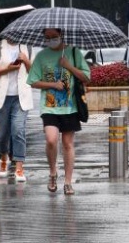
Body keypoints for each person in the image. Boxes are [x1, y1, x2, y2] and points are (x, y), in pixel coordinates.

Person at [26, 28, 90, 195]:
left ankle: (68, 182)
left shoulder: (74, 52)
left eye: (54, 37)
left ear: (61, 35)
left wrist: (68, 66)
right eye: (47, 37)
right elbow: (33, 81)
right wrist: (53, 85)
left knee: (68, 144)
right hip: (49, 107)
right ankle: (53, 172)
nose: (50, 40)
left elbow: (86, 77)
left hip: (70, 107)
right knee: (51, 140)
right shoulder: (41, 56)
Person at [0, 39, 33, 182]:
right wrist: (7, 69)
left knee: (18, 130)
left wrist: (26, 60)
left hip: (21, 97)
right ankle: (4, 159)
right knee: (2, 133)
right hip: (2, 97)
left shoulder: (27, 47)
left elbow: (35, 73)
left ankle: (19, 166)